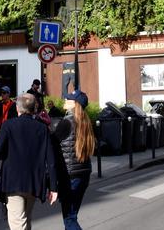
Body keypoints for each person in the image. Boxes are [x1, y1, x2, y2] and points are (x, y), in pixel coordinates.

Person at [0, 93, 59, 230]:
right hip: (34, 182)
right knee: (25, 221)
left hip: (12, 181)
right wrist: (53, 188)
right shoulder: (42, 129)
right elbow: (51, 160)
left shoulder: (8, 125)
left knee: (18, 223)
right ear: (34, 108)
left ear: (17, 108)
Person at [53, 90, 95, 230]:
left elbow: (52, 144)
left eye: (69, 99)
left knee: (69, 219)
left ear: (75, 104)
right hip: (84, 174)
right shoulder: (86, 122)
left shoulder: (66, 122)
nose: (65, 100)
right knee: (72, 215)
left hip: (69, 176)